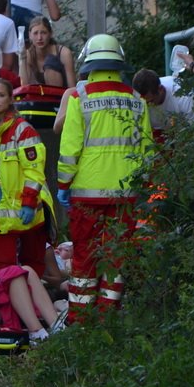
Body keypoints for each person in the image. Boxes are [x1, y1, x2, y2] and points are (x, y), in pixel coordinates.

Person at [56, 34, 151, 325]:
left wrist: (63, 185)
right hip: (126, 197)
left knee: (85, 257)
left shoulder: (78, 97)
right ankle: (107, 320)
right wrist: (142, 187)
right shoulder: (136, 100)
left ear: (88, 63)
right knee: (115, 258)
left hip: (86, 196)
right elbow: (146, 150)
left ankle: (81, 323)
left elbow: (70, 150)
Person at [0, 78, 55, 276]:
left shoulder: (22, 130)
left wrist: (28, 202)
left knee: (32, 264)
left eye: (1, 95)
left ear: (11, 99)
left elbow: (34, 170)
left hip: (24, 205)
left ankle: (30, 302)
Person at [132, 68, 194, 142]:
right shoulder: (138, 101)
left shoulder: (184, 97)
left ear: (160, 89)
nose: (146, 106)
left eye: (150, 102)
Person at [19, 15, 76, 88]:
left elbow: (72, 87)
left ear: (50, 33)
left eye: (43, 33)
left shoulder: (64, 53)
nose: (39, 38)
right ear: (30, 35)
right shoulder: (29, 54)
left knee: (50, 62)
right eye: (35, 33)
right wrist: (22, 58)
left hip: (62, 95)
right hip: (39, 97)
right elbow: (23, 86)